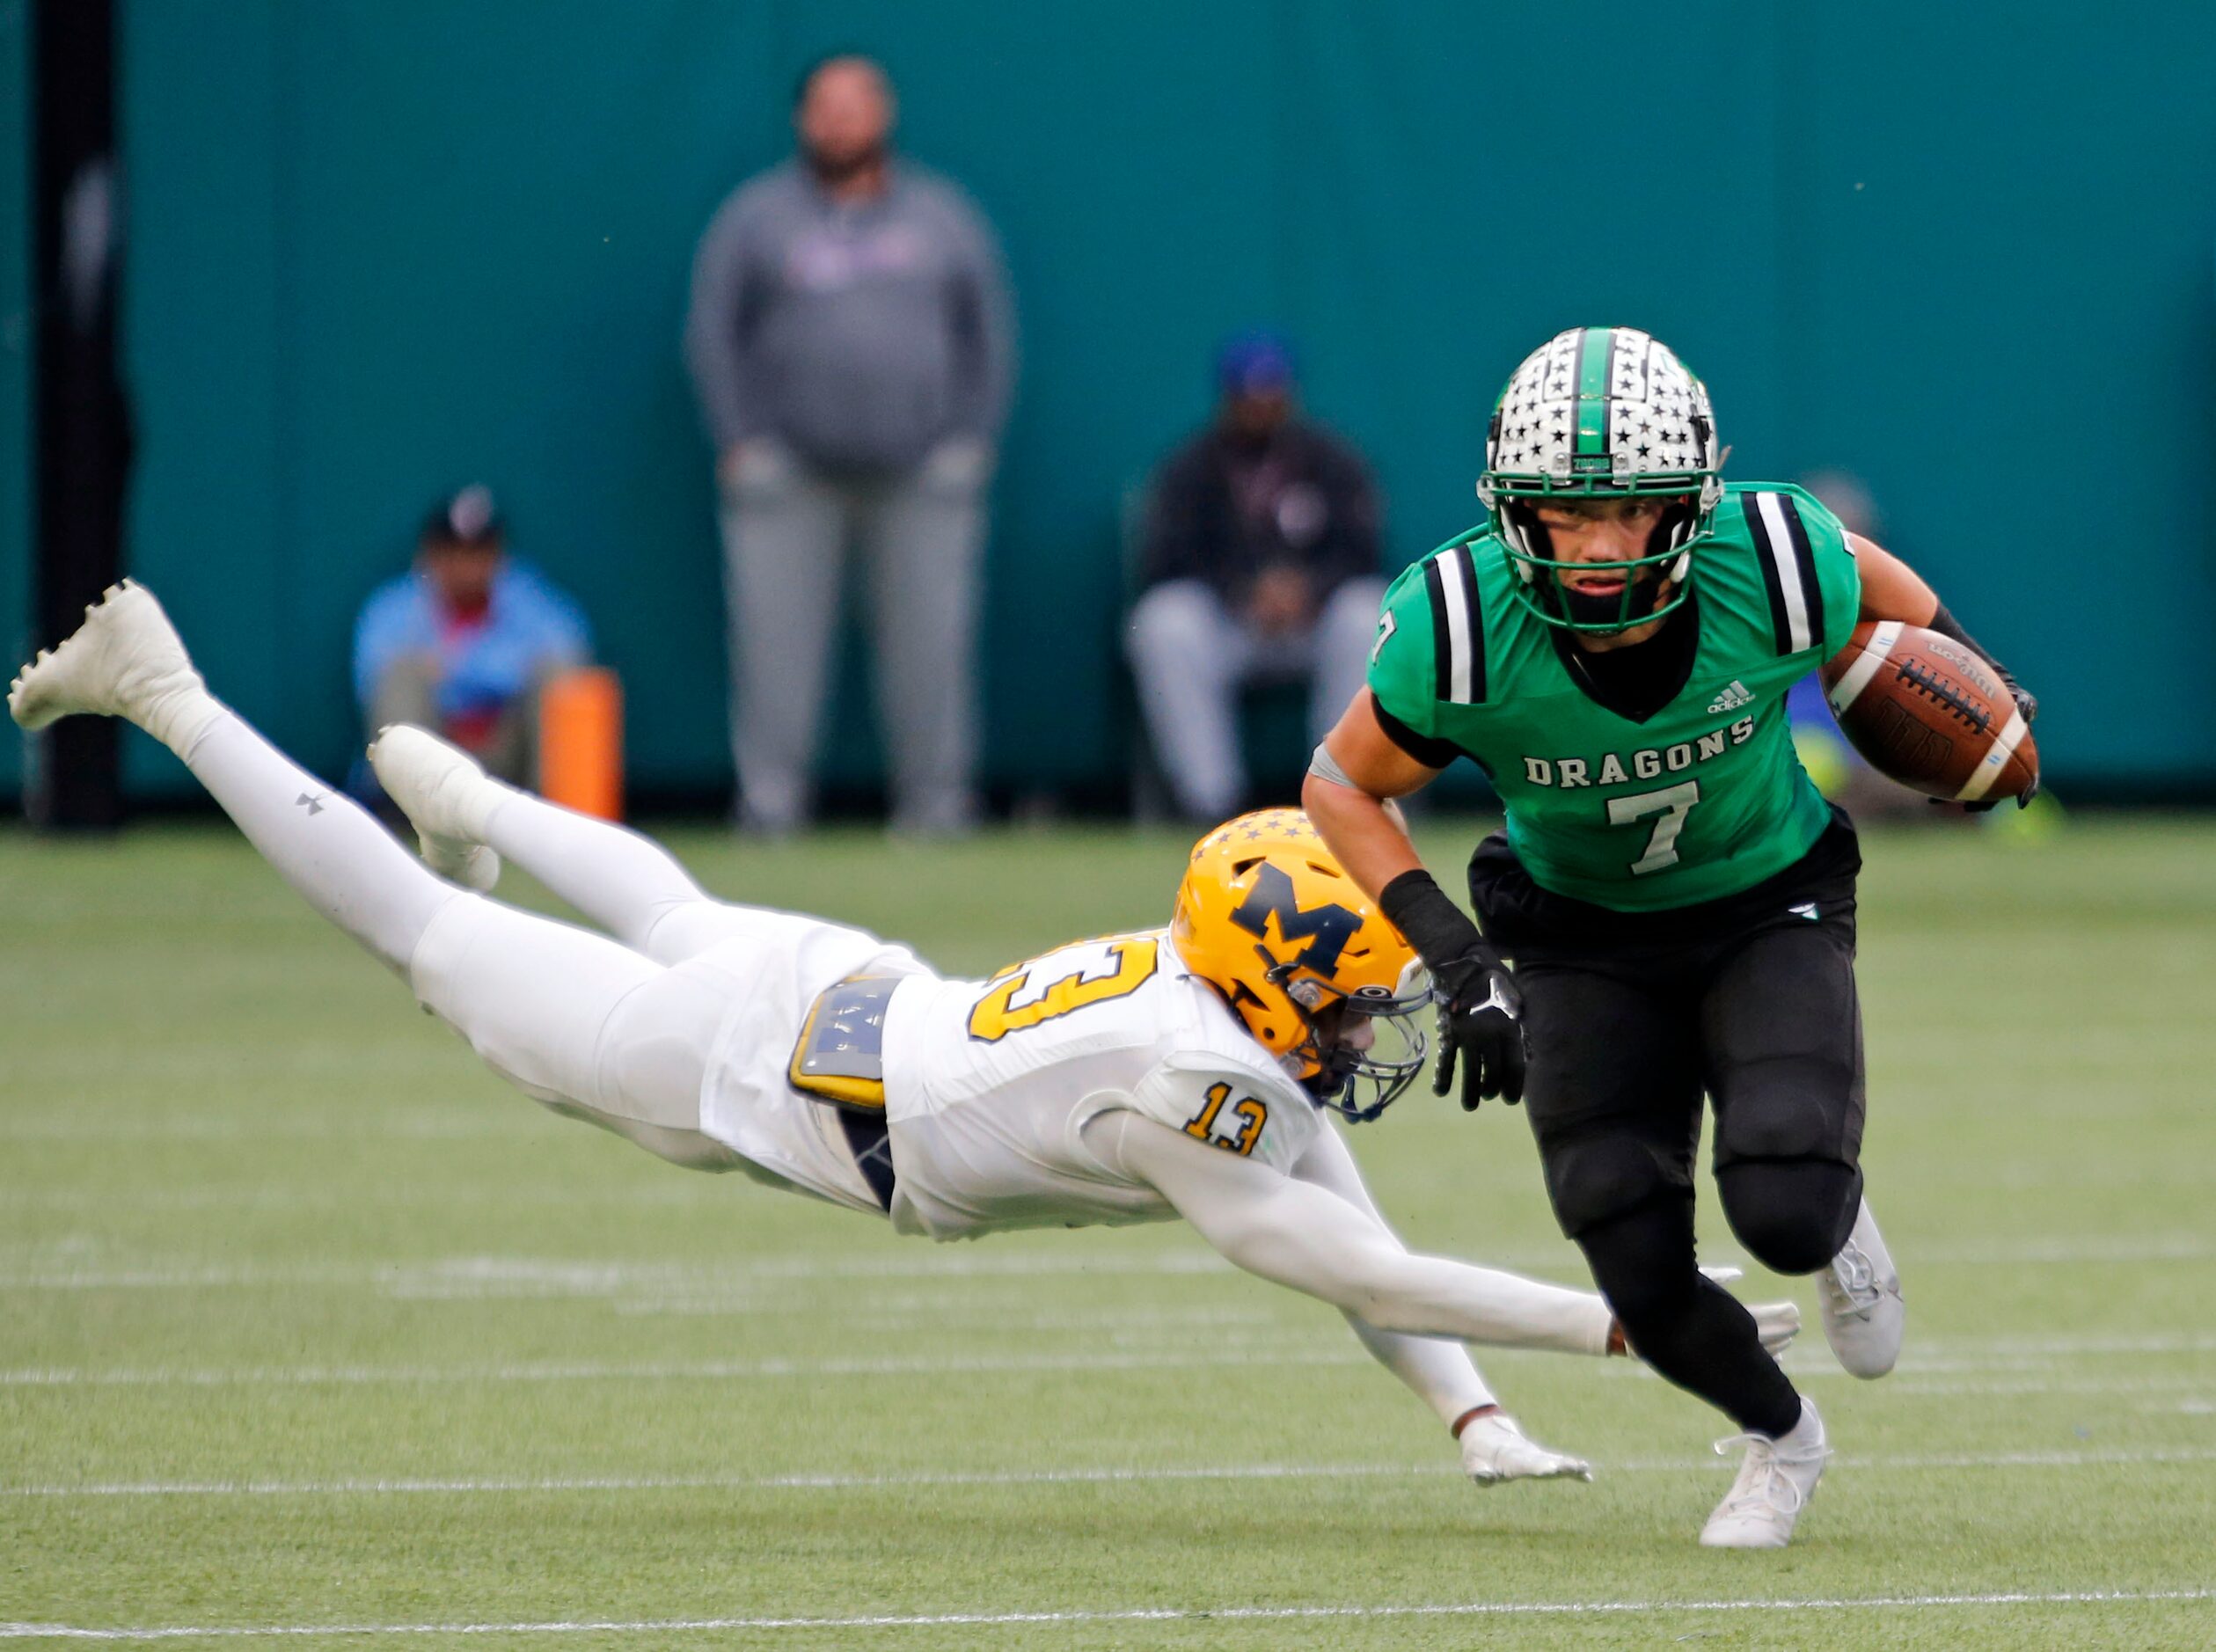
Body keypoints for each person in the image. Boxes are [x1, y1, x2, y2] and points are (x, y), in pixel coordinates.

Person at [10, 583, 1803, 1487]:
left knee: (674, 907)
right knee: (427, 942)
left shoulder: (1215, 1029)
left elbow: (1334, 1205)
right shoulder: (1190, 1077)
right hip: (758, 1072)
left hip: (835, 1003)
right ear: (1264, 978)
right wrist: (1616, 1324)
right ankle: (166, 687)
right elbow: (1347, 1257)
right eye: (1346, 988)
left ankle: (476, 791)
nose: (1375, 1018)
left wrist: (1476, 1419)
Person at [1303, 326, 2038, 1548]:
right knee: (1624, 1249)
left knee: (1785, 1200)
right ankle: (1779, 1437)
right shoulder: (1460, 618)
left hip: (1763, 895)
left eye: (1630, 512)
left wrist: (1982, 695)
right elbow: (1340, 781)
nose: (1594, 547)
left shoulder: (1775, 552)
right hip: (1577, 930)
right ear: (1510, 510)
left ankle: (1837, 1218)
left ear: (1685, 504)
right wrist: (1451, 953)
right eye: (1561, 513)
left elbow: (1892, 599)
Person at [684, 54, 1014, 836]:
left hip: (920, 473)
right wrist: (739, 442)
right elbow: (711, 332)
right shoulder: (755, 217)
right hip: (790, 476)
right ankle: (769, 810)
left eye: (856, 103)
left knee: (931, 653)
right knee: (774, 656)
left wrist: (970, 439)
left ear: (885, 112)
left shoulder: (941, 214)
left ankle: (936, 810)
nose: (840, 120)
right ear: (802, 119)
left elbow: (988, 333)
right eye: (825, 106)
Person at [1128, 331, 1387, 820]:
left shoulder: (1331, 460)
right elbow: (1165, 560)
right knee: (1163, 621)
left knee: (1368, 612)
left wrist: (1306, 587)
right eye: (1250, 394)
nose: (1262, 404)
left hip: (1314, 624)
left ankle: (1343, 793)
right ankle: (1212, 802)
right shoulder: (1192, 469)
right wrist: (1244, 591)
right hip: (1231, 627)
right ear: (1228, 397)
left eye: (1272, 392)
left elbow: (1364, 552)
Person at [351, 486, 590, 789]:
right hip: (438, 744)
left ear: (499, 555)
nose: (467, 567)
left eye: (479, 552)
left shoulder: (528, 600)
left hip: (507, 745)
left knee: (558, 678)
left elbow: (571, 658)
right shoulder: (394, 607)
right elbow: (373, 686)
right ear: (430, 554)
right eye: (454, 552)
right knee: (403, 678)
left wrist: (461, 670)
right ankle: (407, 815)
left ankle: (552, 820)